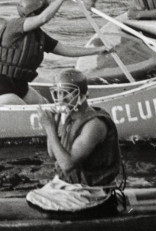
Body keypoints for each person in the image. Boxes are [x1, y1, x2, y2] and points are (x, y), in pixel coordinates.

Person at [0, 0, 108, 105]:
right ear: (36, 12)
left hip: (21, 88)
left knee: (43, 103)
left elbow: (66, 50)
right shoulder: (14, 26)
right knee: (20, 105)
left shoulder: (39, 36)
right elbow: (44, 18)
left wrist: (98, 50)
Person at [26, 68, 125, 213]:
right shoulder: (70, 117)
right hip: (72, 186)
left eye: (66, 93)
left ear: (82, 95)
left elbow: (67, 165)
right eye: (59, 93)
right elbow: (53, 155)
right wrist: (53, 125)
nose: (61, 98)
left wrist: (49, 128)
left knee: (36, 201)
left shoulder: (94, 124)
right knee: (32, 197)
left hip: (92, 191)